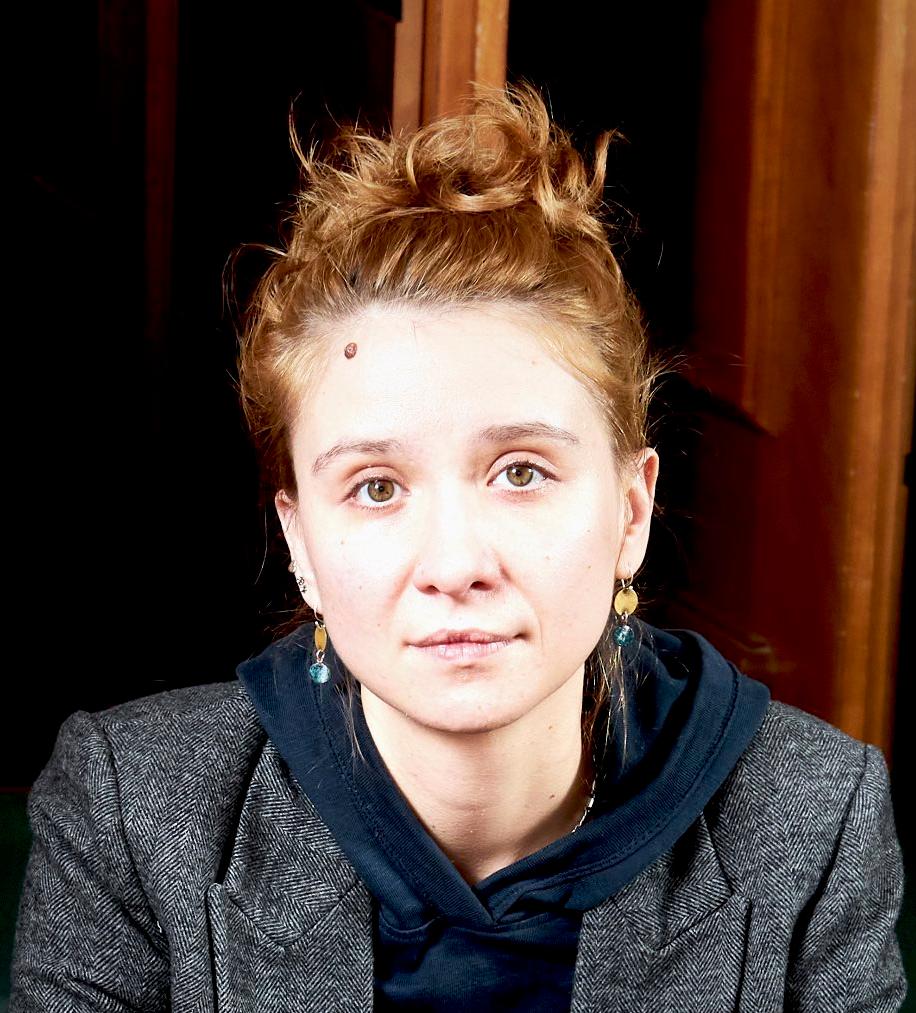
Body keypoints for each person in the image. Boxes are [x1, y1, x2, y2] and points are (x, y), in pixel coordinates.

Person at [10, 86, 907, 1012]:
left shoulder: (816, 815)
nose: (454, 564)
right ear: (300, 540)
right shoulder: (128, 807)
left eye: (520, 472)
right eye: (377, 486)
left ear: (632, 512)